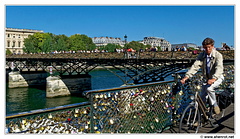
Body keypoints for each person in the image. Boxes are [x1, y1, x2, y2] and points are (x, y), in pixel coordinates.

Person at [180, 37, 224, 115]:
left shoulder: (218, 55)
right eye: (205, 47)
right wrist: (186, 77)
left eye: (209, 47)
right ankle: (201, 116)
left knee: (210, 89)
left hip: (217, 77)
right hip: (207, 79)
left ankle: (215, 105)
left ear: (212, 46)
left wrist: (214, 78)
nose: (207, 49)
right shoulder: (202, 55)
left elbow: (219, 68)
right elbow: (195, 66)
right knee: (202, 97)